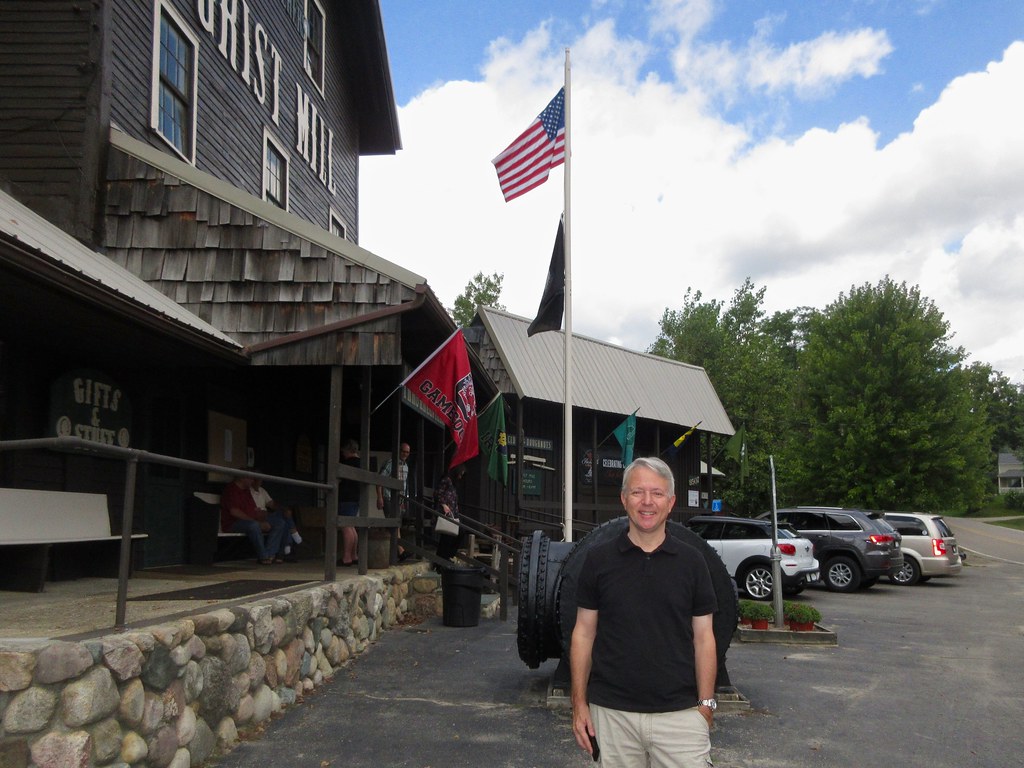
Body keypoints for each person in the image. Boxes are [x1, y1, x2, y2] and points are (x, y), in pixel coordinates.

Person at [570, 456, 718, 767]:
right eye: (637, 492)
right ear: (624, 499)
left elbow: (705, 638)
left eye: (657, 493)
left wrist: (706, 705)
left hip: (681, 715)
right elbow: (583, 633)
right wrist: (578, 704)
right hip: (612, 716)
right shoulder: (598, 560)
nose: (647, 502)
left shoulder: (693, 563)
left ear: (671, 501)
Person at [220, 474, 288, 565]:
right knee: (254, 525)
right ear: (242, 478)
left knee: (279, 522)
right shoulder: (231, 489)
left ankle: (269, 554)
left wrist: (262, 518)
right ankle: (263, 557)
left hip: (250, 520)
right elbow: (234, 512)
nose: (253, 481)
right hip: (233, 523)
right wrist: (258, 522)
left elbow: (253, 510)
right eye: (250, 478)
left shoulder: (246, 491)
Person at [250, 475, 301, 562]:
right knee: (280, 522)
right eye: (258, 478)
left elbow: (272, 504)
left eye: (261, 478)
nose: (260, 480)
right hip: (257, 515)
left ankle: (277, 553)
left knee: (284, 515)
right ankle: (283, 549)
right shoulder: (248, 491)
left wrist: (284, 509)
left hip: (266, 515)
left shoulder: (262, 490)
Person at [376, 442, 413, 560]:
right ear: (399, 451)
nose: (405, 454)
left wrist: (403, 502)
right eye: (403, 451)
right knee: (393, 524)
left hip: (399, 500)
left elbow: (404, 485)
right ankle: (400, 551)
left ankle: (397, 552)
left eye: (407, 452)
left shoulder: (406, 466)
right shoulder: (390, 463)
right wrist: (380, 497)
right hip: (388, 497)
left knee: (396, 525)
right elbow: (380, 480)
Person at [434, 462, 465, 560]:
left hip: (453, 513)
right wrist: (443, 505)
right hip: (446, 512)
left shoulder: (453, 483)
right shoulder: (446, 480)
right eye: (460, 474)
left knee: (456, 534)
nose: (460, 477)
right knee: (447, 536)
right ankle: (443, 559)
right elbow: (437, 493)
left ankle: (448, 556)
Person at [338, 438, 361, 566]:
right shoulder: (361, 463)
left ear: (348, 449)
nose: (342, 453)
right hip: (356, 497)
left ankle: (347, 557)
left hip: (346, 497)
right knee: (351, 527)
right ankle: (354, 555)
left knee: (346, 527)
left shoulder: (349, 463)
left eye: (344, 450)